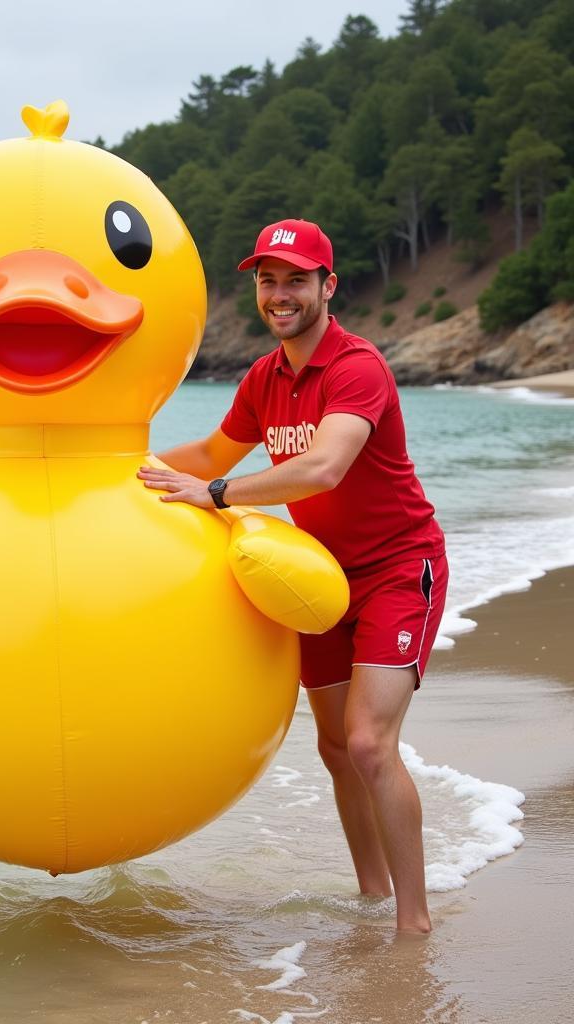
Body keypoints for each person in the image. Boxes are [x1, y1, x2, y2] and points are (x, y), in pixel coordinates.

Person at [138, 219, 447, 934]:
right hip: (320, 579)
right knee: (335, 745)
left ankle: (413, 922)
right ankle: (370, 895)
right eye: (268, 280)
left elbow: (322, 467)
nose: (280, 295)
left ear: (327, 286)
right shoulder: (265, 376)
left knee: (369, 741)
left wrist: (213, 497)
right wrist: (120, 469)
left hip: (401, 567)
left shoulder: (355, 367)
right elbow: (215, 450)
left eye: (296, 280)